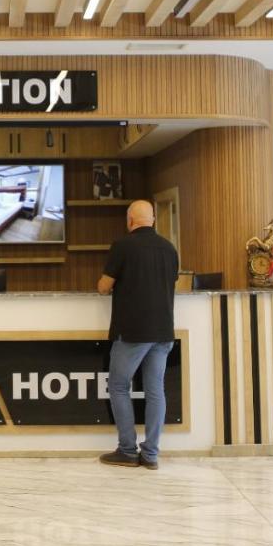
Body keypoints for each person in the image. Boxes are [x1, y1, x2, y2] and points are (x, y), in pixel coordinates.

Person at [96, 199, 179, 470]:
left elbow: (104, 287)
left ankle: (127, 450)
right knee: (156, 390)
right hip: (163, 330)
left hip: (133, 331)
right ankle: (151, 454)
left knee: (119, 386)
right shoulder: (169, 248)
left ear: (130, 220)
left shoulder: (123, 246)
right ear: (153, 220)